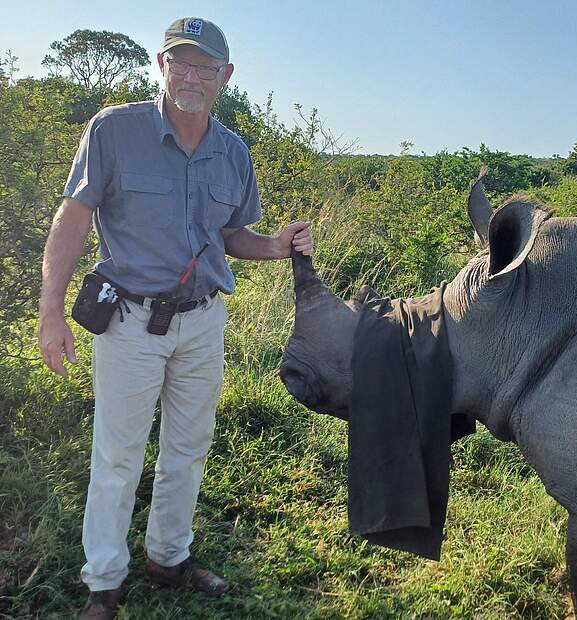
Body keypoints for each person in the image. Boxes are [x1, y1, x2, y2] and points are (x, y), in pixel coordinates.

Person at [37, 17, 313, 620]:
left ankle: (167, 555)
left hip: (202, 322)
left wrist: (278, 245)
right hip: (130, 322)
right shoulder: (114, 131)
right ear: (160, 66)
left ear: (226, 76)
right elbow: (74, 219)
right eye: (179, 63)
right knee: (118, 455)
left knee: (187, 448)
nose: (191, 75)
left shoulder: (232, 151)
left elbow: (233, 235)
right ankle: (103, 581)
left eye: (205, 66)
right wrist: (50, 309)